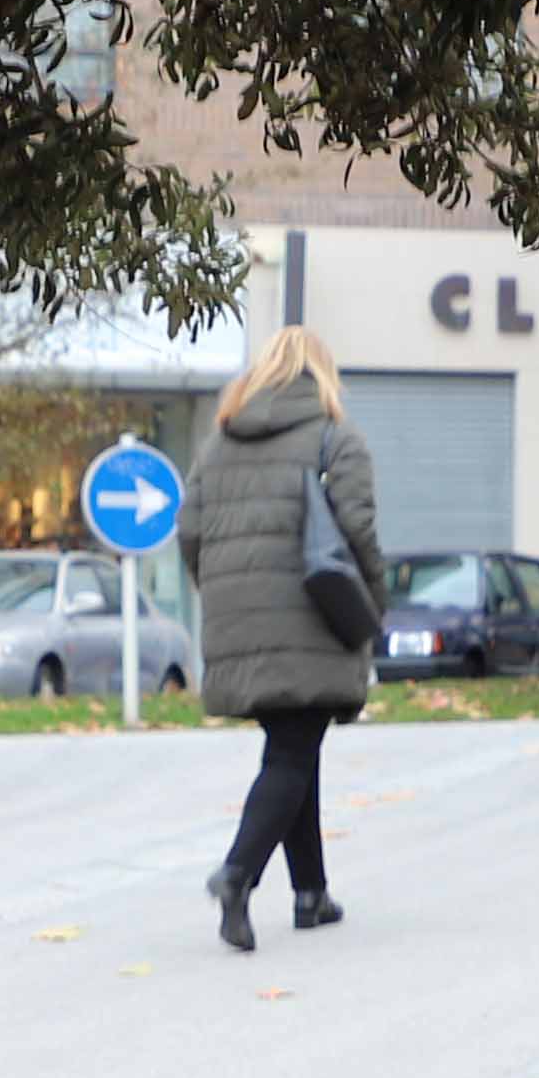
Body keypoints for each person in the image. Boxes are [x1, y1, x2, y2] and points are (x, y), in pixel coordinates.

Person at [180, 321, 382, 954]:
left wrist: (227, 595)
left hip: (238, 615)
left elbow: (190, 534)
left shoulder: (218, 443)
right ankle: (237, 874)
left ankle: (311, 894)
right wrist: (374, 604)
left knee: (296, 749)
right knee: (293, 752)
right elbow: (358, 532)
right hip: (311, 617)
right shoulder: (335, 438)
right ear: (323, 375)